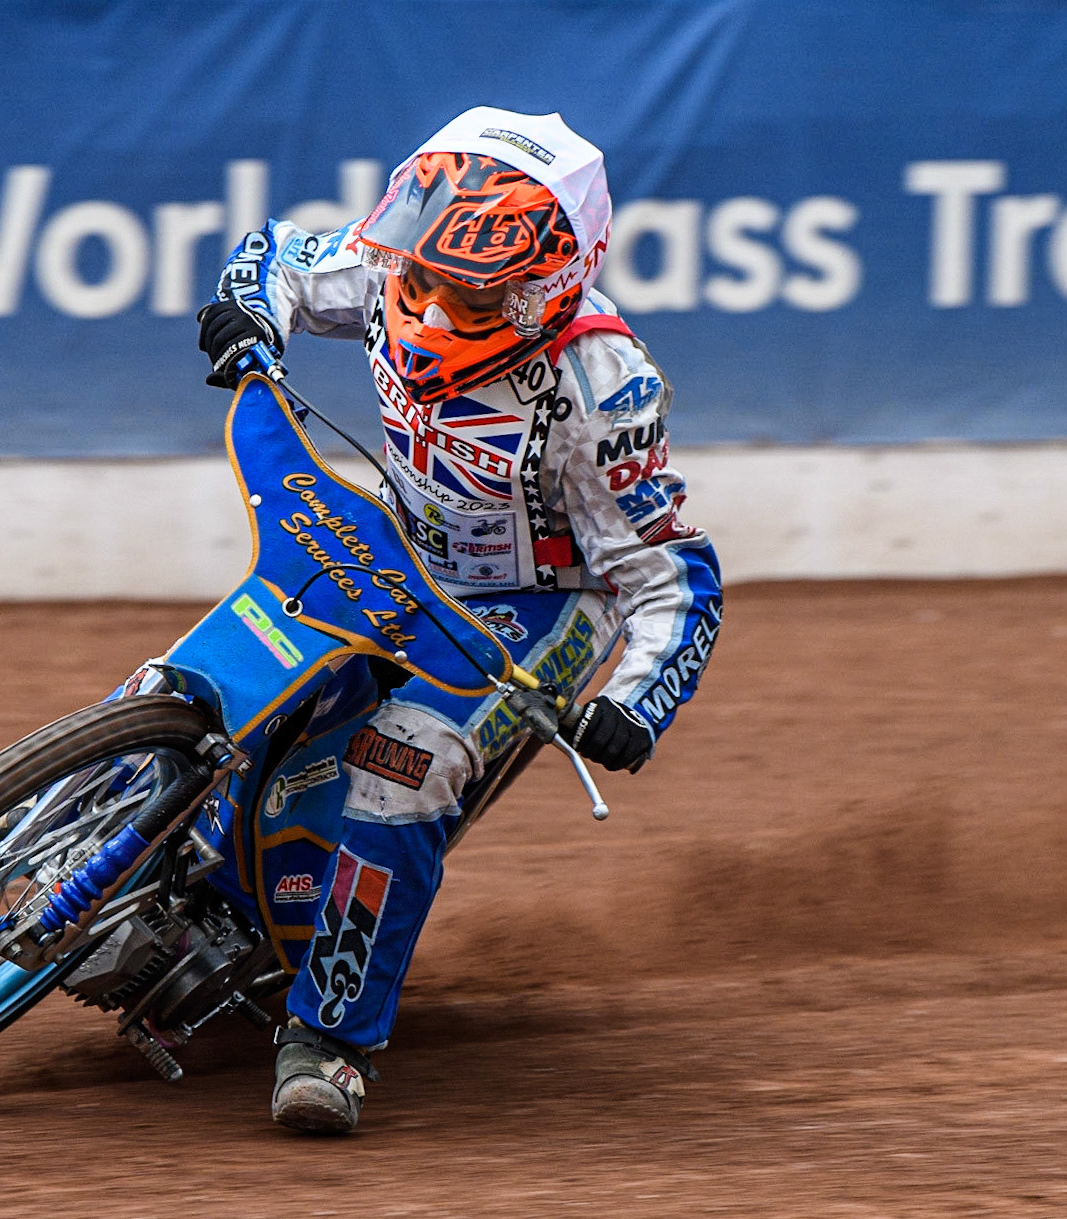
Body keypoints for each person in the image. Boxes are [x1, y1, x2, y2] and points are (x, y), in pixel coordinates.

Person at [196, 107, 724, 1134]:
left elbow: (670, 577)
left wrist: (635, 701)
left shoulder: (601, 384)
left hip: (538, 609)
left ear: (542, 286)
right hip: (394, 550)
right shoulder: (395, 271)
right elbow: (276, 258)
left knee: (401, 765)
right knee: (241, 674)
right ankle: (145, 866)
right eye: (424, 271)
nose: (430, 301)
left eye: (468, 288)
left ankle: (330, 1040)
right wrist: (246, 315)